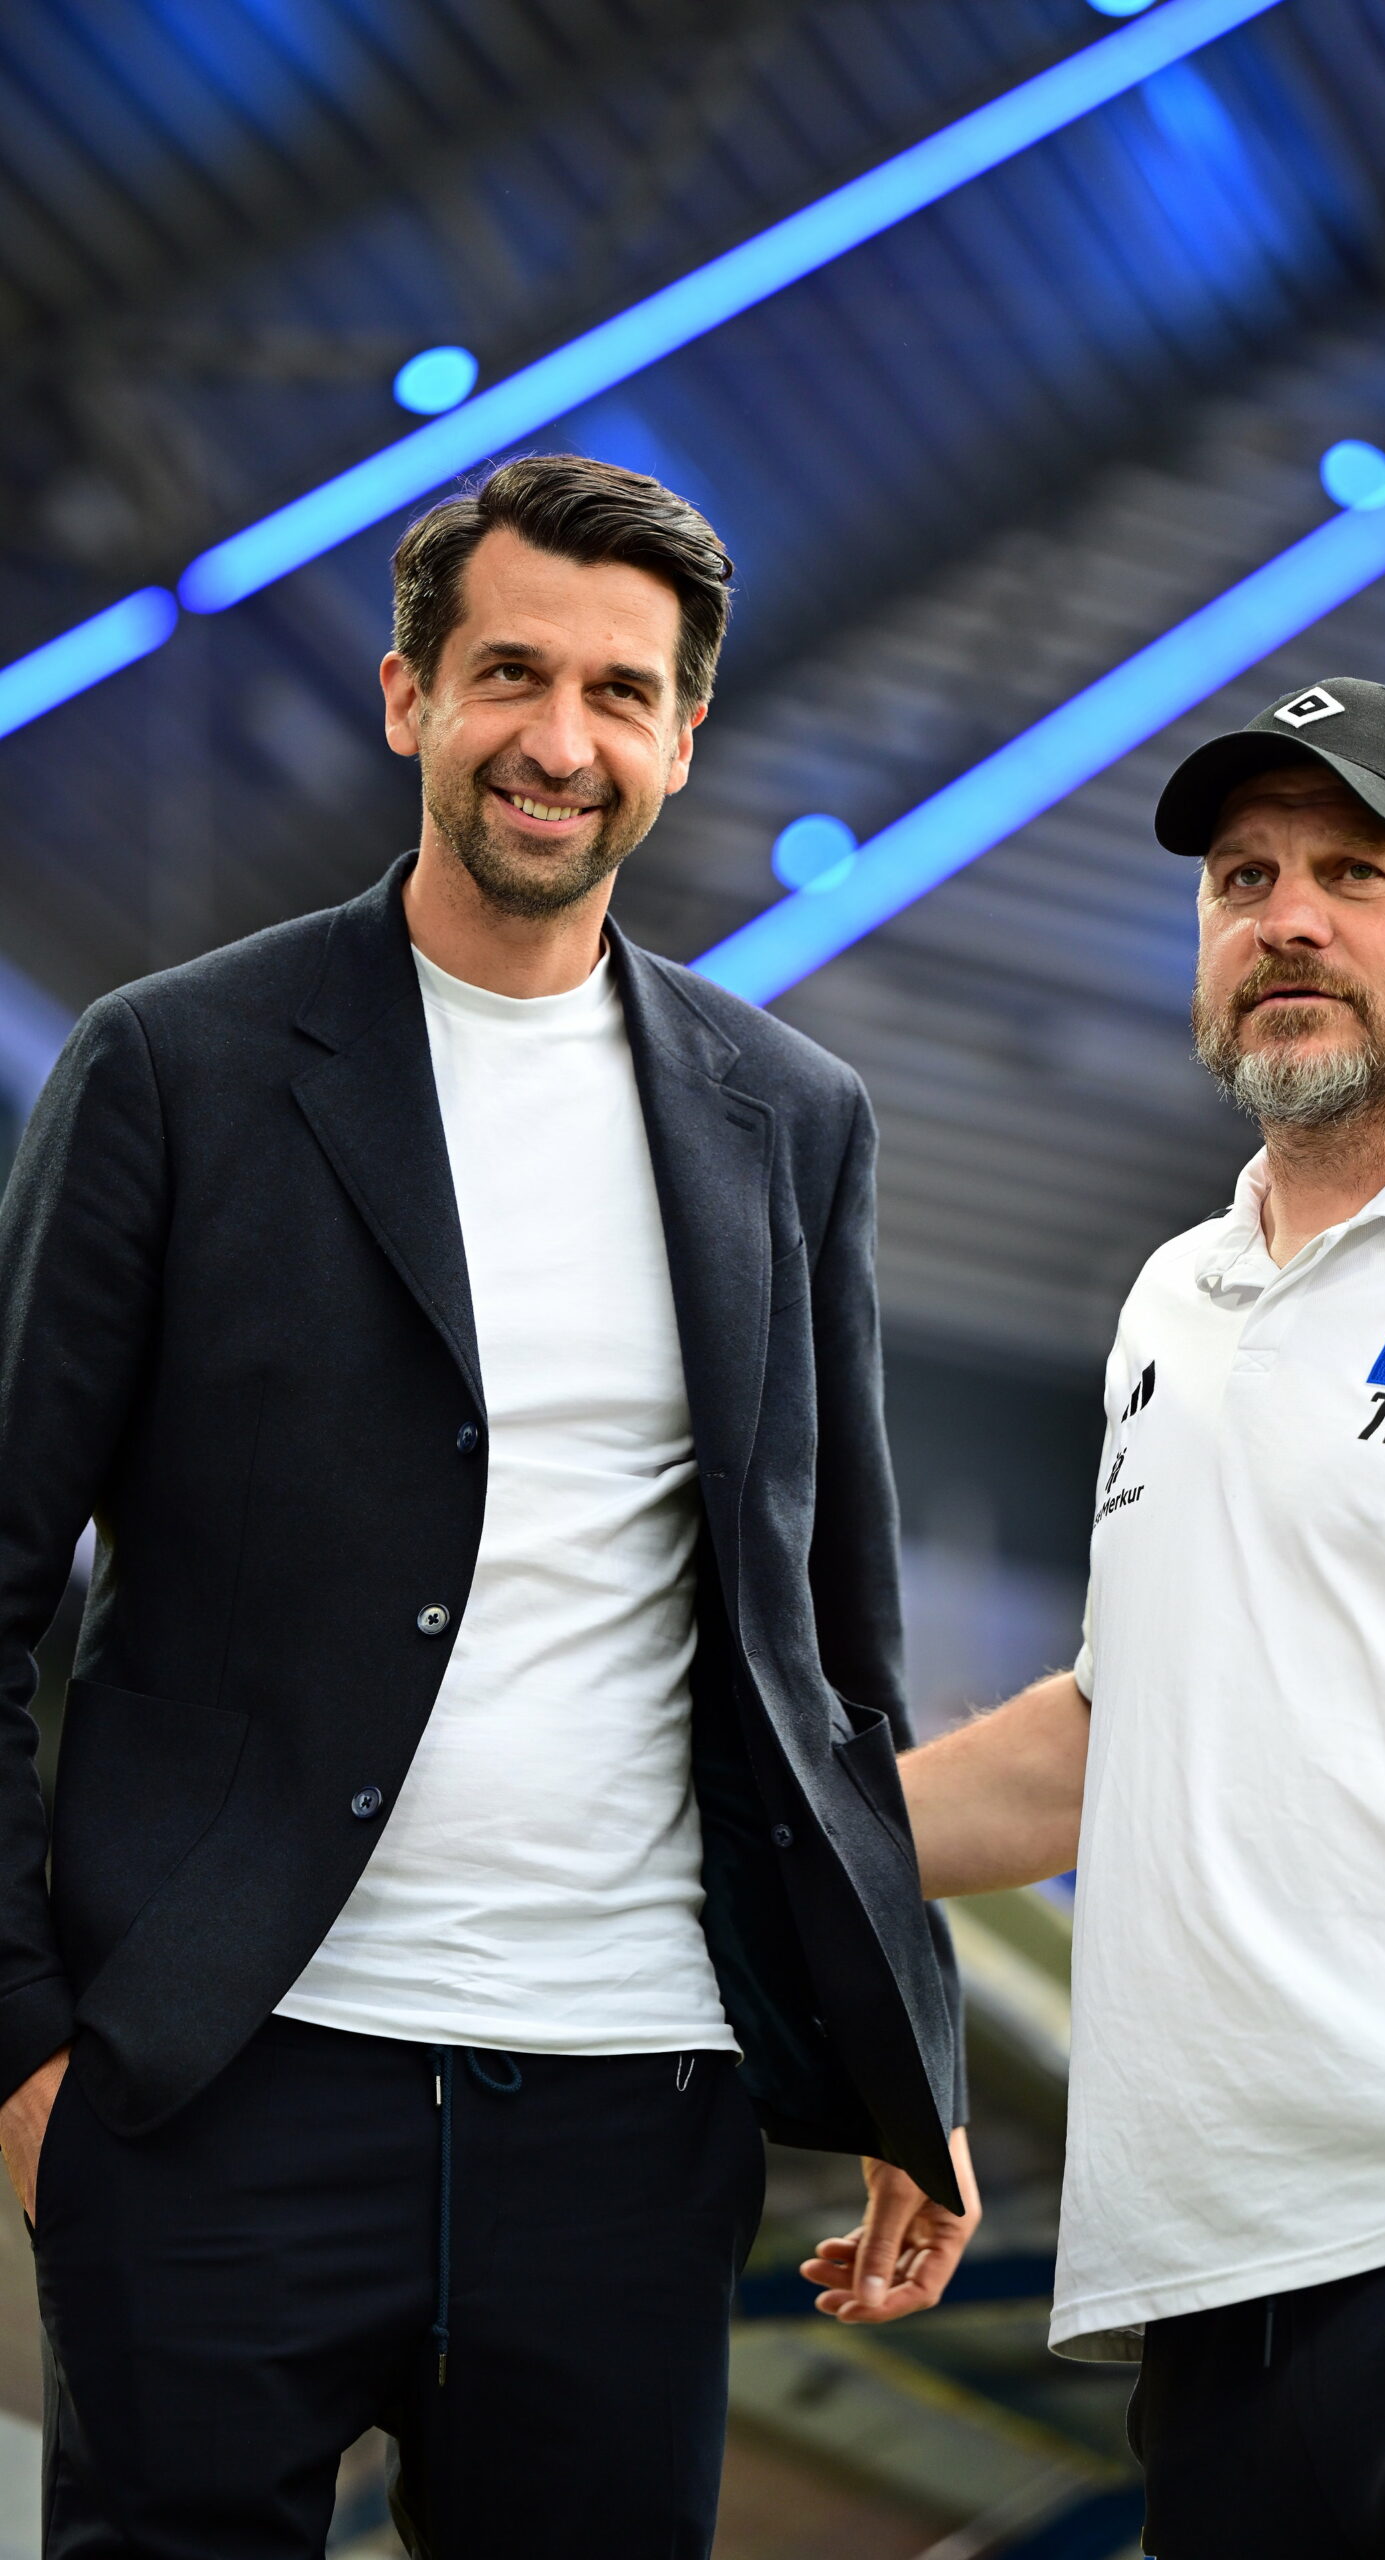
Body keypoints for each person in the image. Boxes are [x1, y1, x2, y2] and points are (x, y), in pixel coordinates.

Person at [0, 452, 976, 2559]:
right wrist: (21, 2050)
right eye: (509, 673)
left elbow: (836, 1653)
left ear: (683, 736)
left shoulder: (791, 1118)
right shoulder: (173, 1066)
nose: (560, 738)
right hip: (220, 2086)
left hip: (629, 2114)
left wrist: (915, 2070)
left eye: (620, 693)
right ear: (403, 697)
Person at [896, 676, 1385, 2554]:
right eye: (1243, 877)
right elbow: (1121, 1735)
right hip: (1215, 2303)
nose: (1287, 918)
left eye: (1357, 870)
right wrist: (767, 1828)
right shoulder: (1175, 1300)